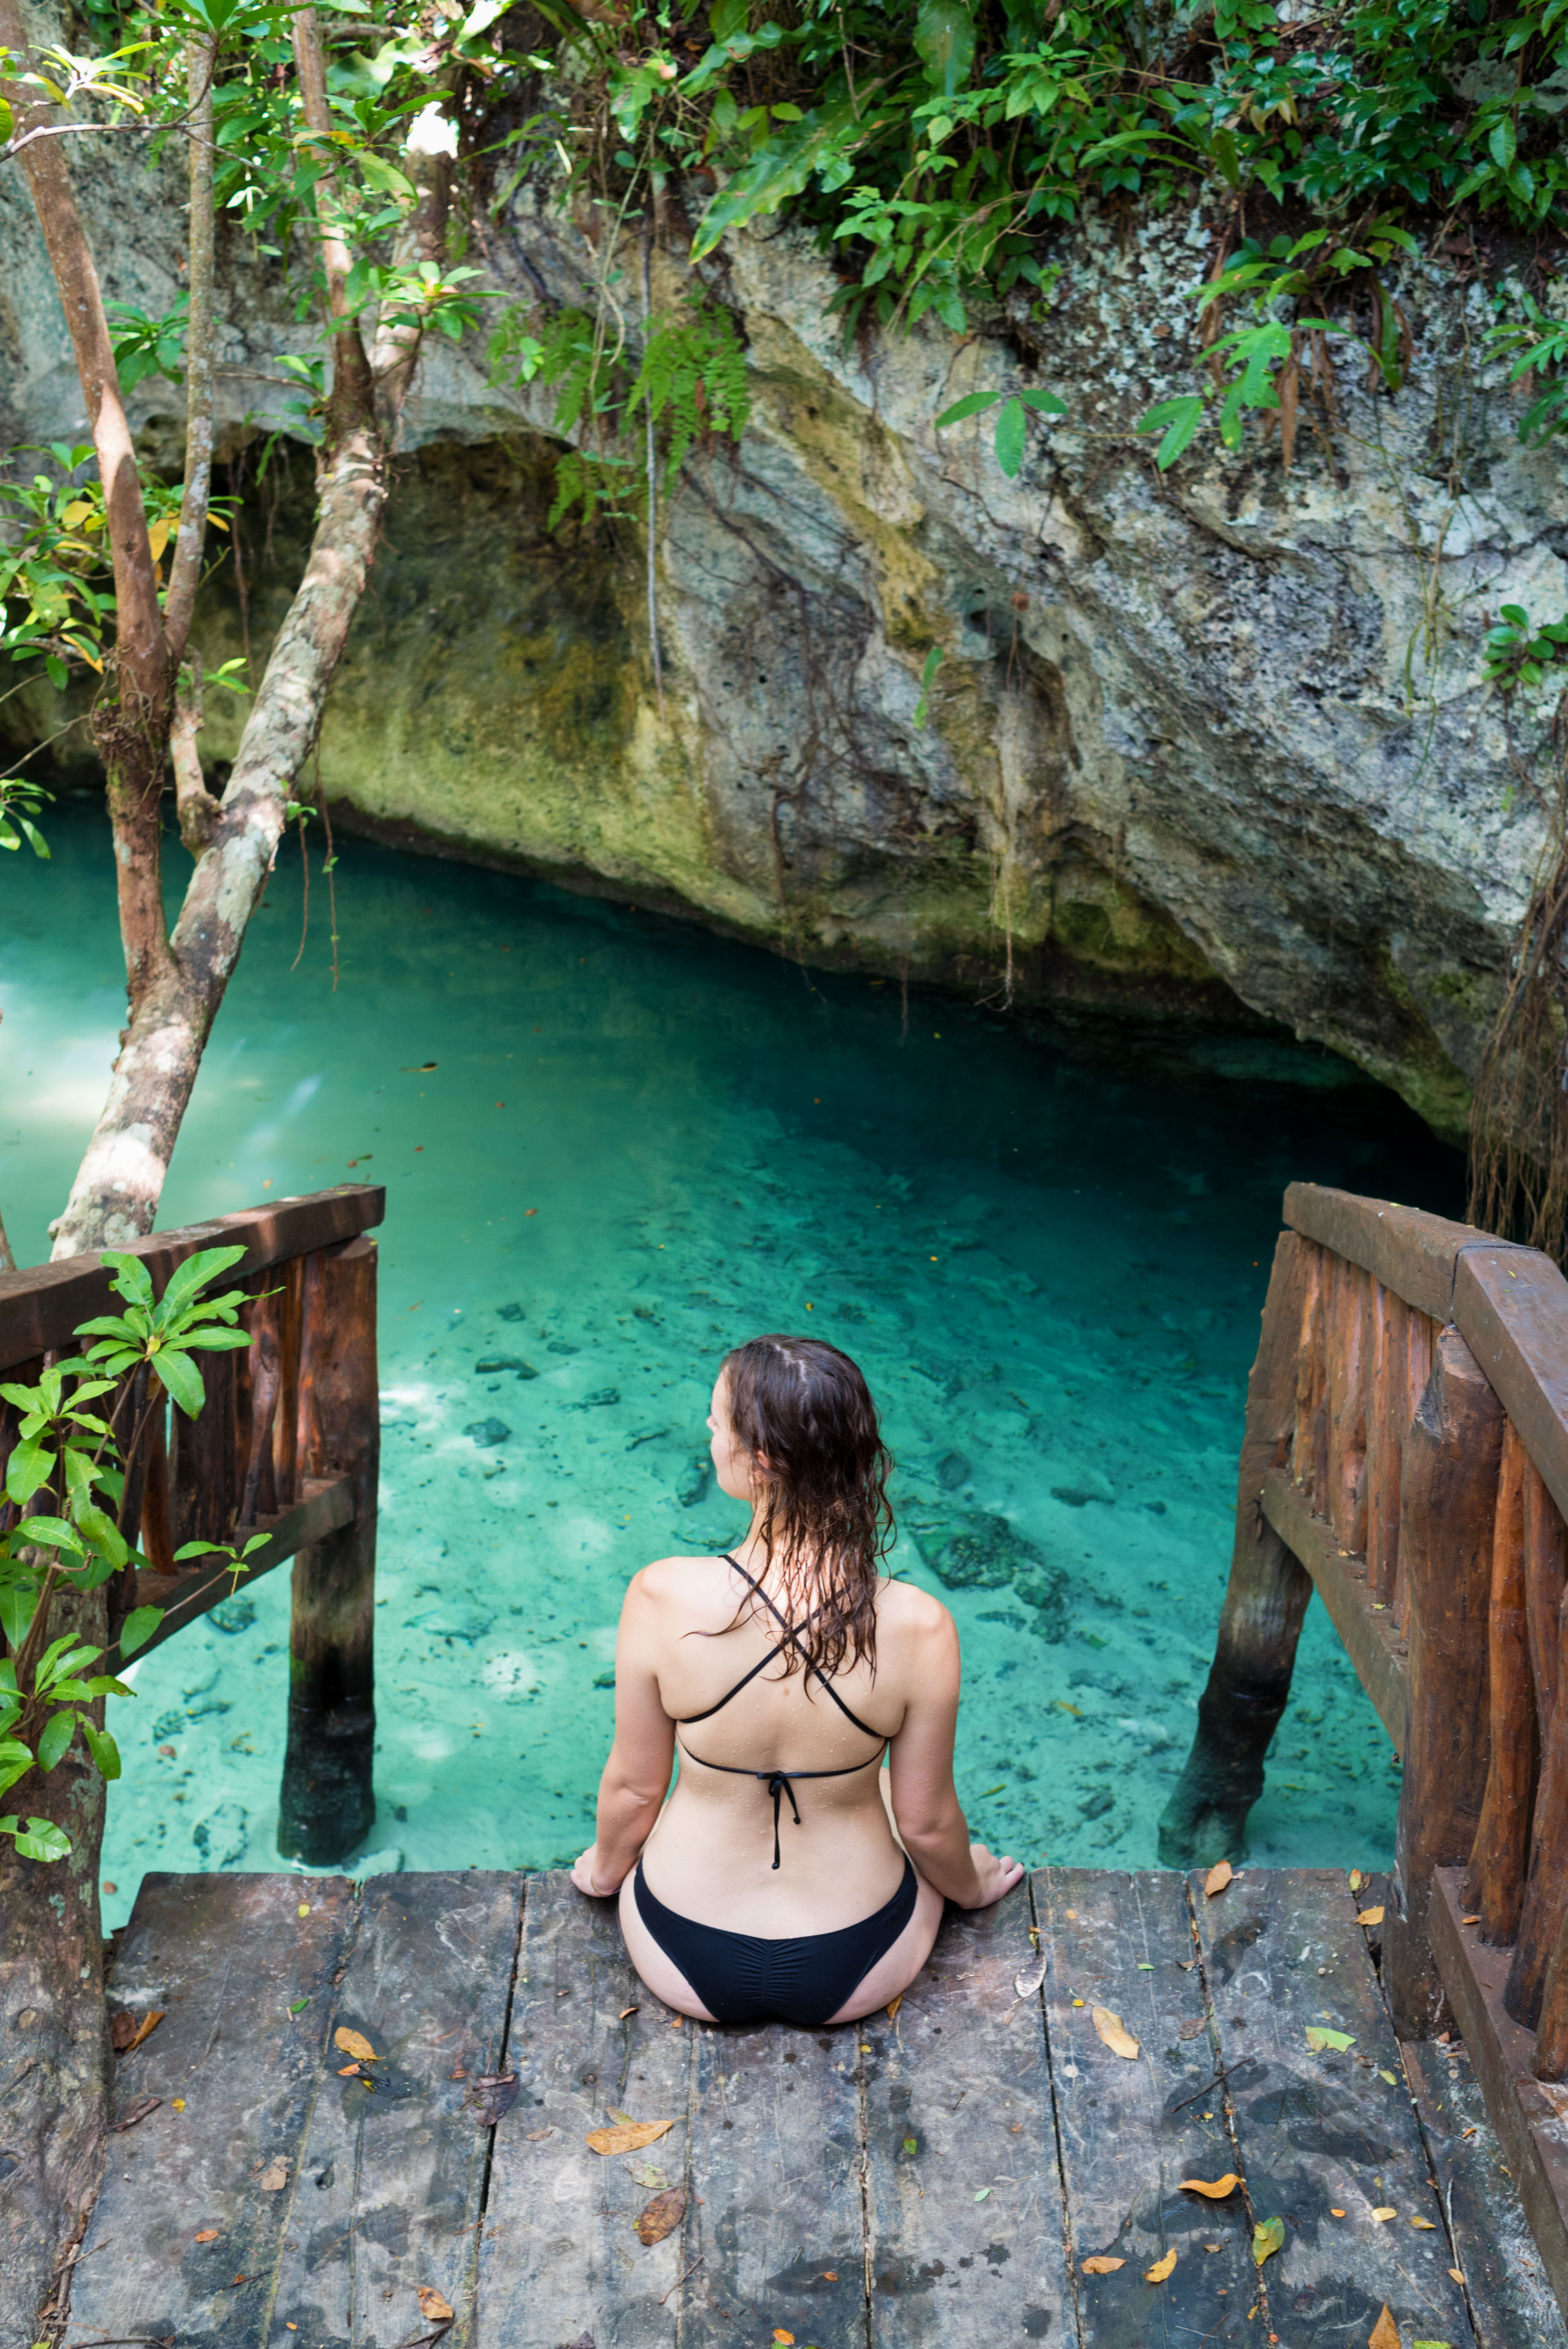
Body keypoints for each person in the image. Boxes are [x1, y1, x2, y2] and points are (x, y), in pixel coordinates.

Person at [570, 1333, 1023, 2028]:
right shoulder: (921, 1625)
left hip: (680, 1944)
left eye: (717, 1420)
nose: (707, 1431)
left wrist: (601, 1874)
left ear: (759, 1460)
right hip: (860, 1954)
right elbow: (927, 1824)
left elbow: (634, 1791)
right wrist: (977, 1885)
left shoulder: (660, 1596)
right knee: (866, 1774)